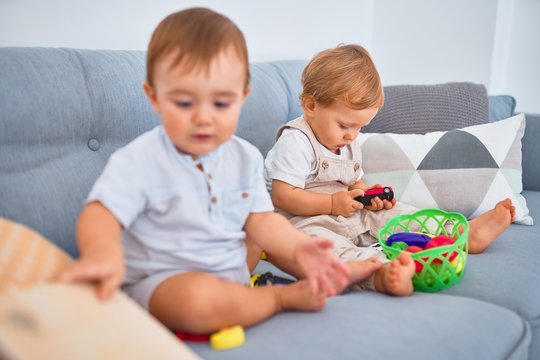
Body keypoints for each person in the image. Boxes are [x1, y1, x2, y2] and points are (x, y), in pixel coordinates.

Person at [59, 8, 357, 335]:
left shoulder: (245, 157)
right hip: (162, 281)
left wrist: (298, 247)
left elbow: (262, 220)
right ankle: (278, 298)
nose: (204, 118)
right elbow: (100, 213)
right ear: (154, 97)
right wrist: (102, 255)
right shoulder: (141, 158)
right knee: (194, 300)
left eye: (220, 104)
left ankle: (284, 284)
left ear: (242, 97)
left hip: (230, 269)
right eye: (185, 103)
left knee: (260, 235)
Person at [264, 44, 516, 296]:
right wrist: (331, 204)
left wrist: (367, 196)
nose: (352, 134)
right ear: (311, 105)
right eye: (344, 125)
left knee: (398, 213)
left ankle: (460, 235)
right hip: (304, 222)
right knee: (323, 251)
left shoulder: (347, 141)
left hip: (347, 214)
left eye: (360, 127)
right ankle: (381, 274)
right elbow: (283, 196)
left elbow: (354, 183)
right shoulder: (295, 141)